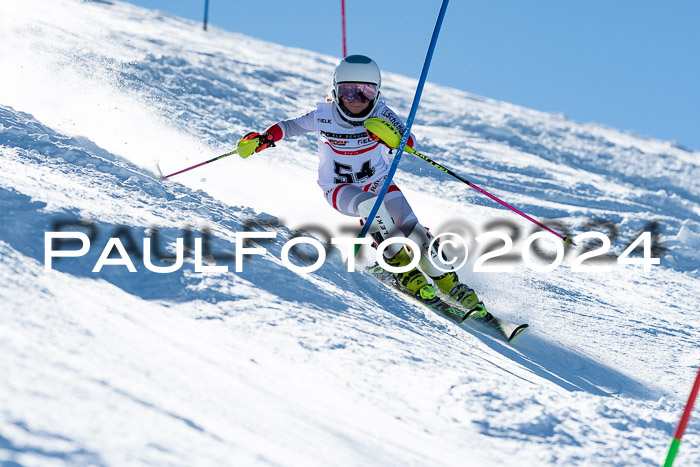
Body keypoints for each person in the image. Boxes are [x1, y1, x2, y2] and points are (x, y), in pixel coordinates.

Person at [240, 54, 484, 315]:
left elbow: (408, 142)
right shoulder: (324, 116)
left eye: (365, 92)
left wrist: (389, 135)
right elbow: (289, 127)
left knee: (413, 229)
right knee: (370, 206)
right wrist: (264, 138)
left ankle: (450, 284)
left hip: (379, 181)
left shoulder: (381, 113)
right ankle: (403, 269)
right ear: (335, 91)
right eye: (347, 92)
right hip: (339, 188)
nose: (356, 100)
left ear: (377, 93)